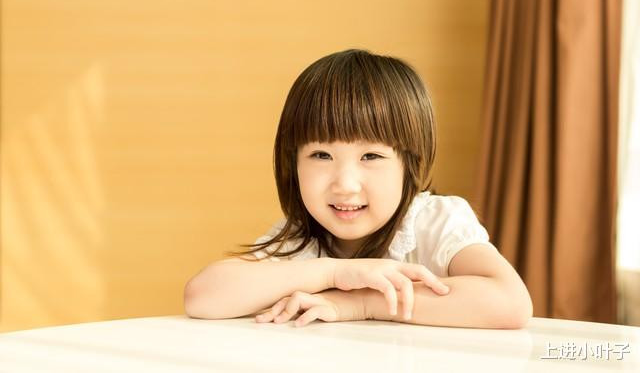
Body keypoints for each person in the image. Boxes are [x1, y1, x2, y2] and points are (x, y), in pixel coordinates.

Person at [184, 49, 533, 329]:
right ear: (293, 164)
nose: (345, 185)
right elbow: (202, 297)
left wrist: (360, 302)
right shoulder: (301, 238)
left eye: (371, 156)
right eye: (321, 155)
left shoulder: (433, 222)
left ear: (409, 164)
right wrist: (333, 272)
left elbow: (509, 302)